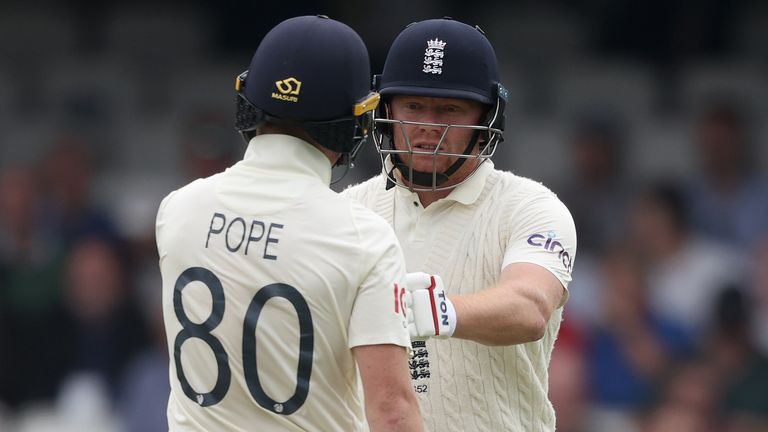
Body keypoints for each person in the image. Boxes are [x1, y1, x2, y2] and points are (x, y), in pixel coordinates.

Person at [156, 16, 422, 432]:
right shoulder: (363, 238)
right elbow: (391, 411)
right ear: (355, 122)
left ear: (248, 101)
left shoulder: (177, 210)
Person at [343, 18, 577, 431]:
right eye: (413, 106)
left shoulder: (532, 206)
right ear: (386, 110)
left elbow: (529, 307)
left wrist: (436, 312)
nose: (428, 126)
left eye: (450, 108)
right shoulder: (349, 211)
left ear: (488, 117)